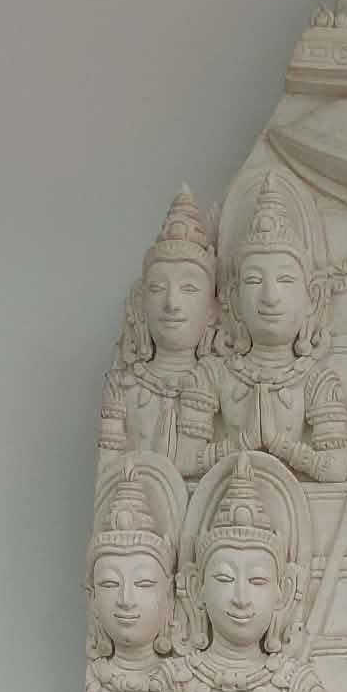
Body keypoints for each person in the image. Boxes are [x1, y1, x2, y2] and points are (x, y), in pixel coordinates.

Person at [176, 452, 331, 692]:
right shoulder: (176, 679)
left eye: (258, 580)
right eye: (224, 578)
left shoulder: (295, 684)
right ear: (197, 587)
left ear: (283, 592)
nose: (241, 597)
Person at [209, 175, 347, 482]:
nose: (270, 297)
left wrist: (280, 445)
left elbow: (336, 468)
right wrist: (240, 444)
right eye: (254, 280)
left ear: (311, 298)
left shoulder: (316, 380)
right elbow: (181, 459)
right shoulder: (213, 375)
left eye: (285, 280)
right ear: (234, 300)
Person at [98, 188, 220, 481]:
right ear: (140, 305)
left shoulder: (219, 383)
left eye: (188, 288)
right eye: (157, 288)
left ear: (212, 311)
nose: (172, 304)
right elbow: (107, 476)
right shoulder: (123, 384)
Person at [83, 456, 185, 692]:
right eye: (110, 584)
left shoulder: (182, 683)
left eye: (143, 583)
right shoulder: (92, 684)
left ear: (169, 596)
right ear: (92, 598)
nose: (126, 599)